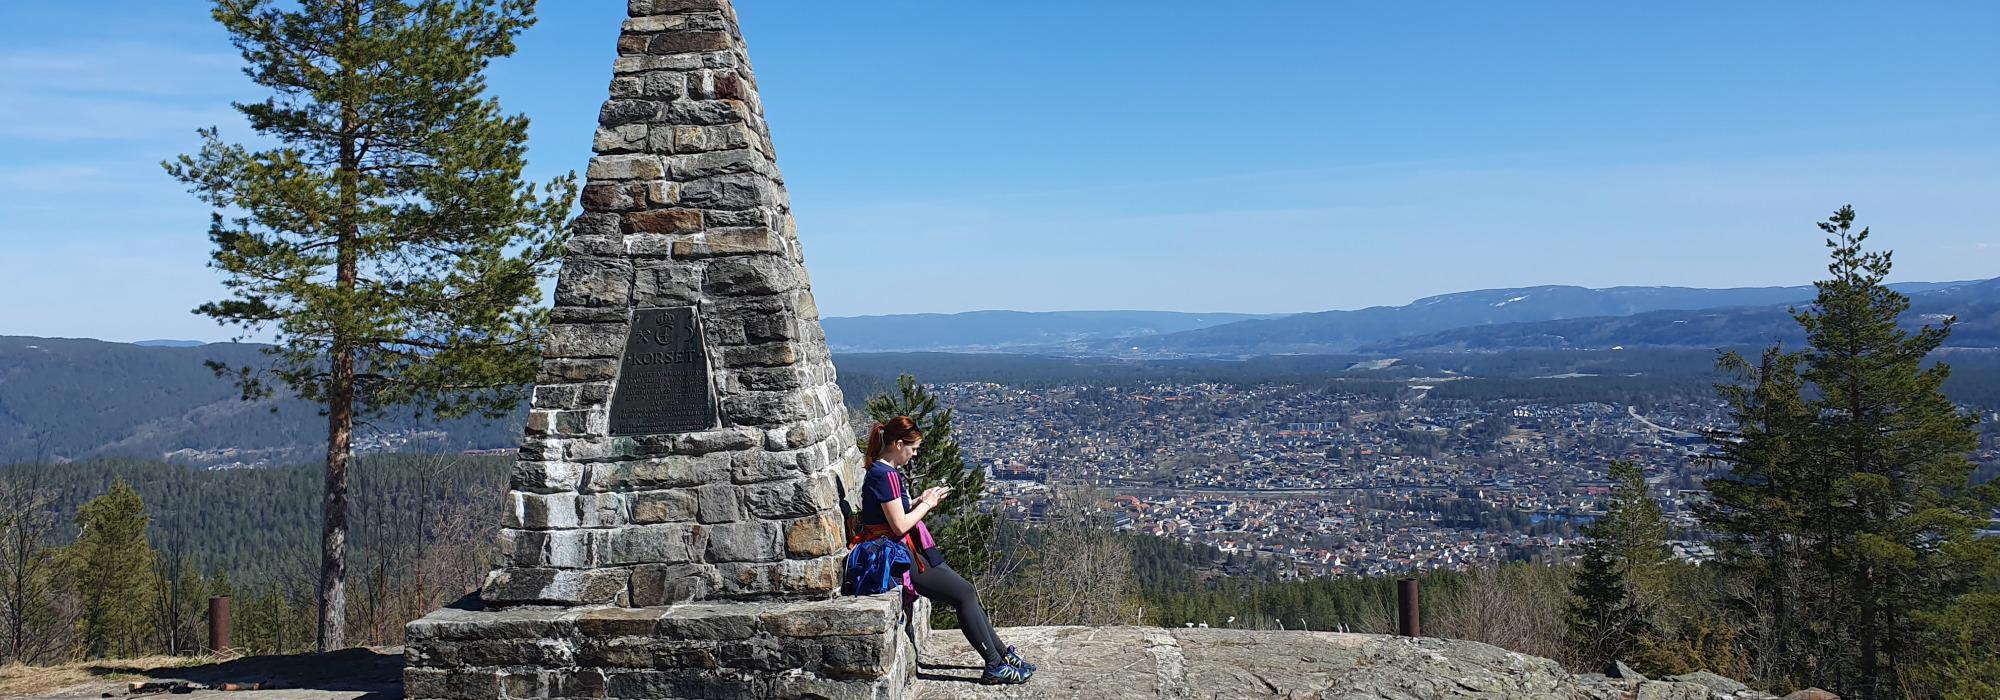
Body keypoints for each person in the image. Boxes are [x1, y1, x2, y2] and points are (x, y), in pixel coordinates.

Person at [859, 416, 1037, 685]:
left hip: (902, 549)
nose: (915, 454)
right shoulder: (885, 476)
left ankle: (1002, 656)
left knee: (966, 591)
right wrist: (927, 505)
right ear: (898, 444)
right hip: (894, 556)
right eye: (913, 448)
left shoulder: (883, 472)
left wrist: (919, 500)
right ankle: (994, 665)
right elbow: (899, 525)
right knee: (963, 593)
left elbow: (893, 512)